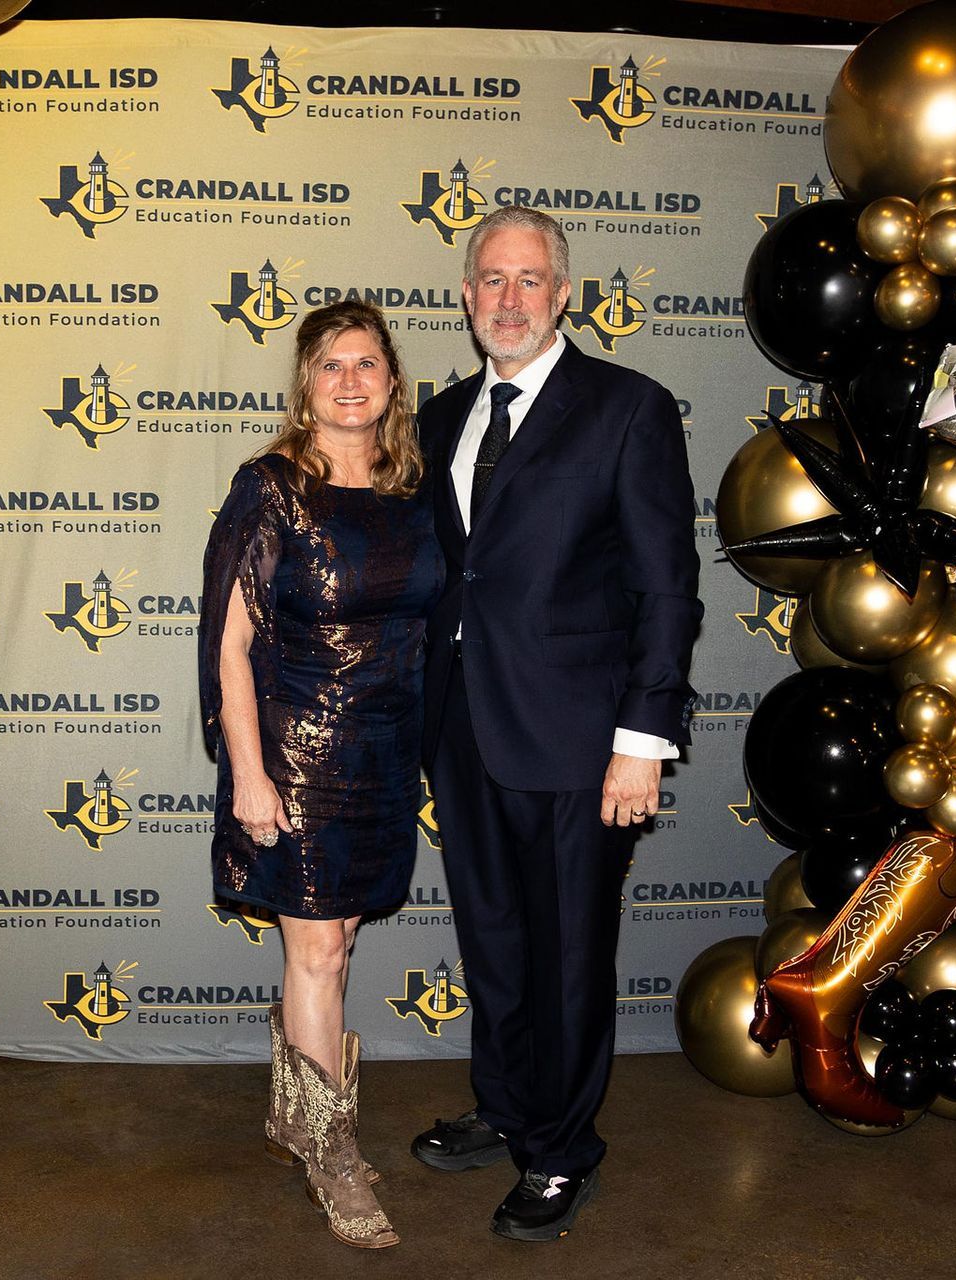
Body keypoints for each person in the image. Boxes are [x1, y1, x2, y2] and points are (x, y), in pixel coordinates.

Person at [411, 206, 701, 1241]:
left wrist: (642, 738)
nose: (508, 298)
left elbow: (669, 588)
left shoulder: (629, 408)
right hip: (464, 732)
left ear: (564, 293)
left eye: (529, 279)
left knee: (570, 951)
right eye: (490, 279)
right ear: (465, 295)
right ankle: (507, 1103)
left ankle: (563, 1148)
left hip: (583, 745)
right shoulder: (439, 415)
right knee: (492, 940)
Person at [199, 300, 443, 1249]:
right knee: (320, 952)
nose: (350, 380)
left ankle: (295, 1118)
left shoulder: (414, 491)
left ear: (392, 382)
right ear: (307, 386)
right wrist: (249, 774)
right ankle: (333, 1154)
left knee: (338, 936)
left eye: (366, 363)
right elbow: (229, 643)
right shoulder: (269, 487)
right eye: (331, 365)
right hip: (296, 748)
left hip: (386, 750)